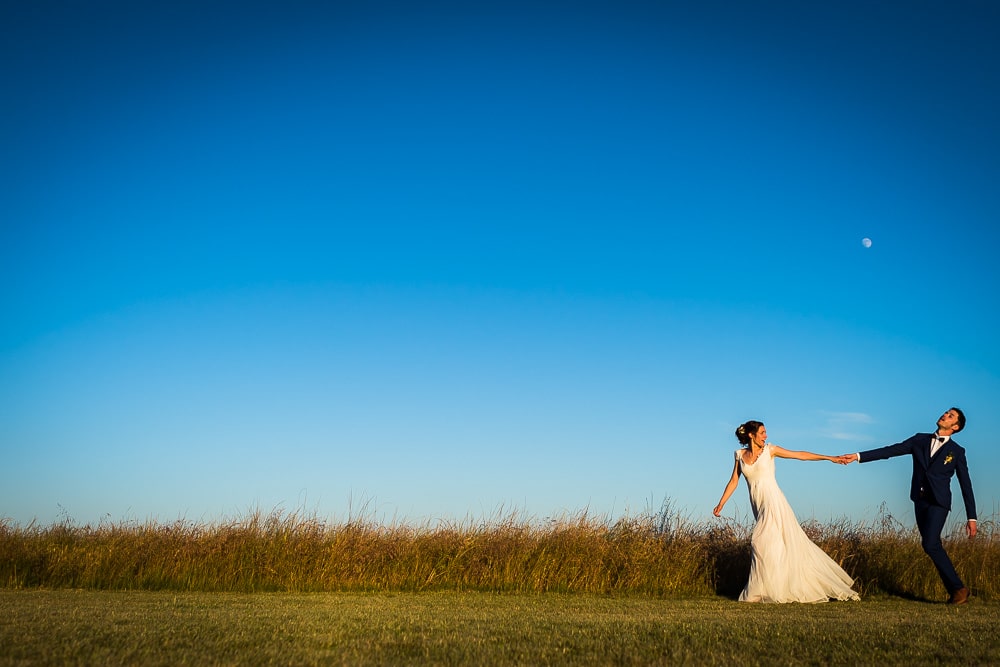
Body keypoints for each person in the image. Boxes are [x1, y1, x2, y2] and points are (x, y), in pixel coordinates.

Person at [837, 407, 977, 605]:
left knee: (930, 543)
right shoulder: (919, 440)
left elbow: (966, 485)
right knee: (930, 545)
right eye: (946, 412)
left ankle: (958, 589)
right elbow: (889, 451)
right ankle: (958, 589)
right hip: (919, 500)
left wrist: (972, 517)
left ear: (956, 427)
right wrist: (858, 456)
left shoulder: (957, 452)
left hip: (939, 502)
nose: (945, 415)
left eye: (950, 416)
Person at [714, 420, 859, 603]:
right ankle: (774, 588)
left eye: (765, 432)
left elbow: (800, 455)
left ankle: (760, 591)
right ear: (751, 435)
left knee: (758, 542)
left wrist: (829, 457)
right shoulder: (740, 455)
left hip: (774, 502)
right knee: (774, 547)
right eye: (762, 432)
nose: (766, 436)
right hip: (759, 506)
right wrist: (721, 503)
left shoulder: (770, 450)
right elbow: (734, 480)